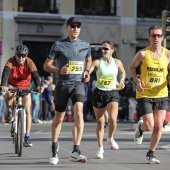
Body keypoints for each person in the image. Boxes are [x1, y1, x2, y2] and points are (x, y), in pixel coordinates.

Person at [43, 17, 92, 165]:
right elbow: (46, 66)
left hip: (78, 84)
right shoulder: (58, 45)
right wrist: (59, 70)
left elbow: (89, 60)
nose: (75, 29)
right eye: (72, 26)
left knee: (79, 114)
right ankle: (54, 148)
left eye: (78, 26)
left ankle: (76, 150)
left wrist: (87, 71)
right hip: (63, 85)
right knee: (59, 118)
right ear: (67, 28)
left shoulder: (86, 45)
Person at [129, 25, 170, 164]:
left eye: (159, 35)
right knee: (149, 126)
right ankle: (141, 128)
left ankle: (150, 154)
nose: (156, 38)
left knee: (159, 127)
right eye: (153, 36)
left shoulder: (167, 54)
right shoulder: (143, 54)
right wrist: (137, 80)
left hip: (162, 93)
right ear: (149, 38)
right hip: (145, 93)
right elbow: (131, 67)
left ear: (162, 38)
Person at [88, 40, 126, 159]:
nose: (103, 50)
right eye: (102, 49)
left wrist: (122, 81)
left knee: (113, 120)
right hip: (99, 93)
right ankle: (100, 149)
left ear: (112, 50)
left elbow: (123, 72)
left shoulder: (117, 62)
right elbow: (89, 70)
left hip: (112, 92)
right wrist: (87, 74)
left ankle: (110, 138)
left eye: (106, 48)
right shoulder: (97, 62)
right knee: (100, 122)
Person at [0, 44, 43, 146]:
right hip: (12, 85)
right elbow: (5, 73)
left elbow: (35, 76)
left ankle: (27, 136)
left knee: (28, 109)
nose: (20, 58)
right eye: (18, 55)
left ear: (26, 55)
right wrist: (3, 85)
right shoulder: (10, 61)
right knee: (8, 93)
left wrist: (38, 86)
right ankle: (10, 112)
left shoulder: (29, 62)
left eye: (23, 56)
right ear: (15, 55)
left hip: (25, 87)